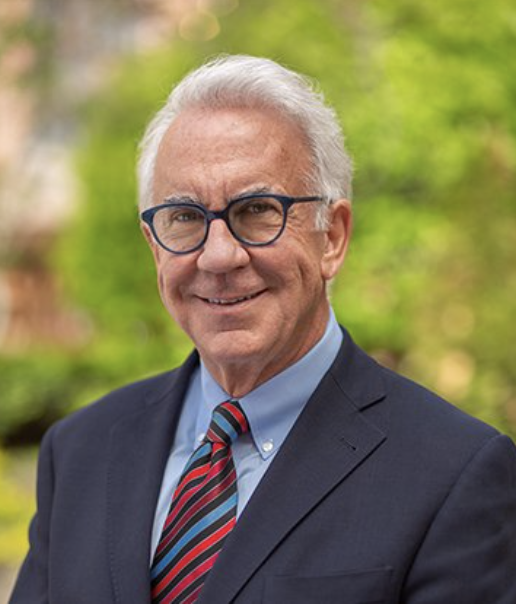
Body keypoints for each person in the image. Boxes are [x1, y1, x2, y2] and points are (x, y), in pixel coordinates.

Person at [10, 55, 516, 604]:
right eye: (185, 218)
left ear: (332, 237)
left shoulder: (453, 474)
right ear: (154, 247)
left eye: (256, 210)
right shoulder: (80, 452)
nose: (219, 256)